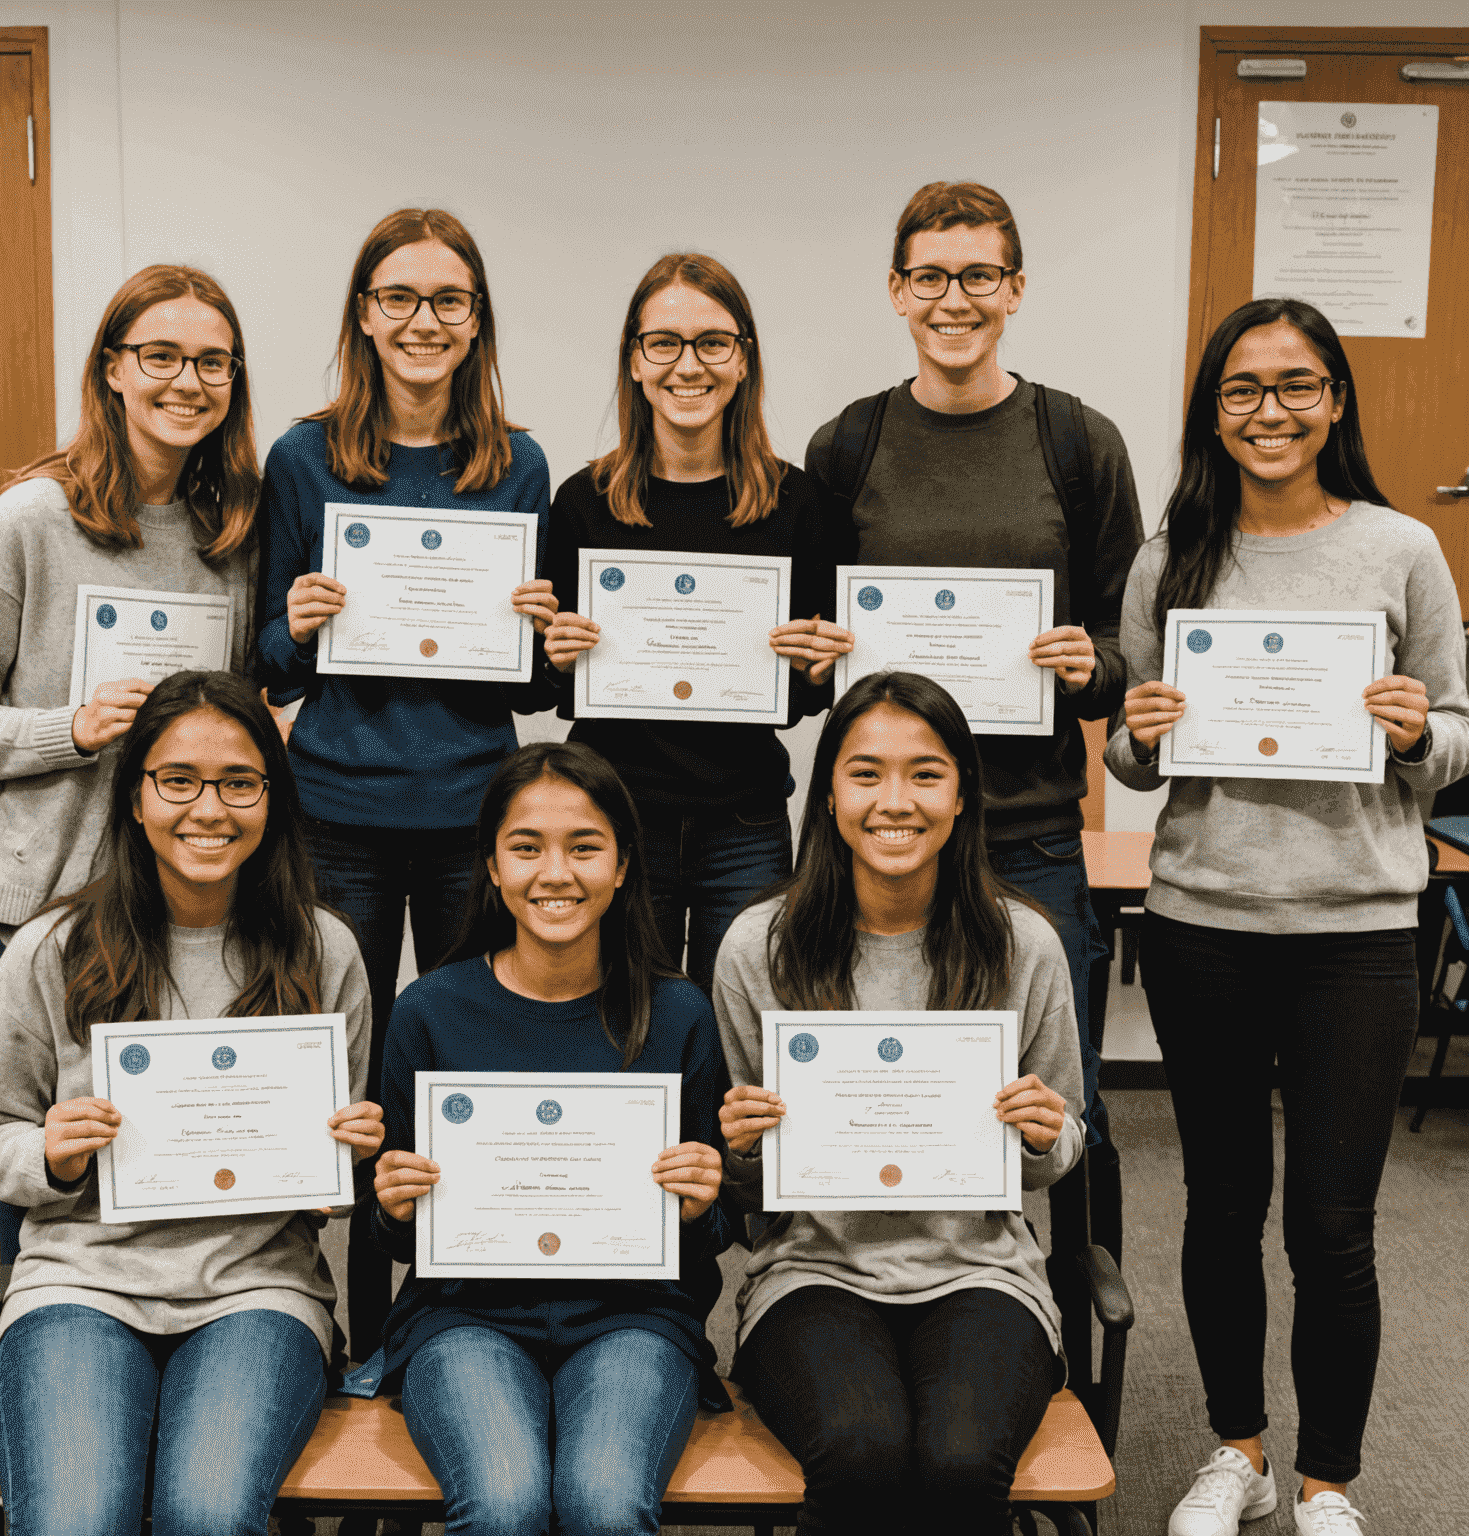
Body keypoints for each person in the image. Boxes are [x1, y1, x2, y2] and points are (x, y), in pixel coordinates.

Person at [1104, 297, 1469, 1536]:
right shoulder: (1173, 556)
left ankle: (1328, 1480)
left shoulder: (1402, 547)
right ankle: (1236, 1450)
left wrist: (1422, 732)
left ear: (1335, 402)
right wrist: (1135, 738)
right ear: (1213, 411)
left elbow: (1459, 732)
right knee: (1218, 1206)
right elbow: (1139, 759)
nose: (1271, 411)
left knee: (1334, 1223)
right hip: (1204, 918)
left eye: (1296, 385)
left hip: (1359, 932)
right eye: (1244, 389)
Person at [0, 669, 379, 1536]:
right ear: (137, 795)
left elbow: (333, 1183)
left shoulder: (323, 950)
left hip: (259, 1289)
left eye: (239, 782)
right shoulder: (51, 947)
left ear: (272, 798)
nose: (209, 809)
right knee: (76, 1519)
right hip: (80, 1283)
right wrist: (50, 1153)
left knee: (208, 1514)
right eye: (178, 780)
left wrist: (345, 1161)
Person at [254, 207, 557, 1360]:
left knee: (464, 1069)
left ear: (476, 321)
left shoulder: (517, 462)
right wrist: (296, 623)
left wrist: (539, 637)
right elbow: (269, 663)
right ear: (364, 316)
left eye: (447, 300)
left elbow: (527, 689)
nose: (422, 321)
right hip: (337, 812)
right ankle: (356, 1329)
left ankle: (455, 1311)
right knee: (351, 1079)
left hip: (475, 816)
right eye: (399, 298)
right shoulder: (303, 455)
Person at [804, 181, 1144, 1159]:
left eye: (979, 275)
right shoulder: (847, 446)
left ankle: (1061, 1295)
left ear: (1016, 289)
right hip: (885, 834)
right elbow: (813, 630)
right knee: (881, 1079)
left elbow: (1127, 650)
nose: (956, 300)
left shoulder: (1079, 443)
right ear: (897, 292)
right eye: (931, 277)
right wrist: (817, 652)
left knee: (1055, 1104)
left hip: (1032, 833)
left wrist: (1090, 664)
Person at [712, 669, 1085, 1536]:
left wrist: (1043, 1131)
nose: (896, 801)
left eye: (926, 773)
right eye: (865, 772)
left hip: (982, 1268)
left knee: (959, 1464)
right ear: (830, 797)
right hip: (810, 1270)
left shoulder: (1022, 942)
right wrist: (740, 1146)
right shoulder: (756, 949)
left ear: (962, 798)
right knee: (861, 1452)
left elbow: (1064, 1148)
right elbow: (750, 1192)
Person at [356, 740, 735, 1536]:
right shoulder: (428, 1011)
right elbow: (390, 1236)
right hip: (462, 1319)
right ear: (491, 867)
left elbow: (708, 1243)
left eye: (585, 846)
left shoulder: (679, 1015)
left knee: (603, 1504)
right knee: (503, 1503)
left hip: (635, 1318)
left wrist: (702, 1204)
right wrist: (393, 1204)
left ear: (626, 865)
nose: (554, 873)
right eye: (525, 848)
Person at [0, 264, 262, 970]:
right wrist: (72, 728)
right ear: (114, 368)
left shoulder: (233, 535)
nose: (189, 381)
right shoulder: (30, 519)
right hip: (50, 902)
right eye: (161, 356)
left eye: (213, 362)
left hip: (193, 901)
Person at [543, 252, 851, 994]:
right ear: (636, 362)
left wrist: (818, 669)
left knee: (739, 1028)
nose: (689, 365)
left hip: (741, 823)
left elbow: (809, 695)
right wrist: (553, 653)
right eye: (664, 343)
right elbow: (547, 686)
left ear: (743, 361)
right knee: (627, 1023)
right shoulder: (583, 500)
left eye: (713, 342)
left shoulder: (797, 505)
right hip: (616, 820)